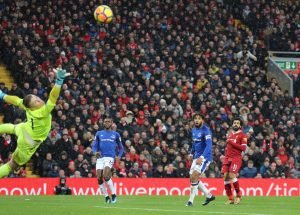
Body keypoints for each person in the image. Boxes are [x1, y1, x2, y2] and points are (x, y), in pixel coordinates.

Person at [0, 68, 69, 178]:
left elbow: (16, 100)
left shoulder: (27, 106)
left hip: (25, 128)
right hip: (29, 142)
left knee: (12, 128)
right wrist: (58, 82)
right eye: (36, 101)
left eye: (37, 97)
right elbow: (53, 97)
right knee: (12, 165)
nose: (39, 100)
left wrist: (3, 95)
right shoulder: (43, 111)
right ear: (32, 106)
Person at [92, 116, 124, 204]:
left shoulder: (116, 134)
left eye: (108, 121)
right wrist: (95, 152)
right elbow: (94, 145)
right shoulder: (99, 133)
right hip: (100, 158)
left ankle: (113, 195)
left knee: (106, 176)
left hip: (109, 157)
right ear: (103, 123)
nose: (107, 123)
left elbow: (121, 148)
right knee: (99, 177)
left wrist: (119, 156)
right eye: (105, 121)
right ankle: (106, 196)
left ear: (112, 123)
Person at [186, 113, 215, 207]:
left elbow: (209, 145)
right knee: (192, 178)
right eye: (195, 119)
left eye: (198, 118)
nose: (196, 120)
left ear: (202, 120)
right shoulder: (193, 130)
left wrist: (202, 157)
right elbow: (194, 143)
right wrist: (191, 153)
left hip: (205, 157)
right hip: (196, 157)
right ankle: (209, 195)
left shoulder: (206, 130)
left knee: (194, 176)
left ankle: (190, 201)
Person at [221, 118, 247, 205]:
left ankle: (239, 196)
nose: (235, 124)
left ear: (240, 125)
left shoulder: (243, 135)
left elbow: (243, 148)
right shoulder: (230, 134)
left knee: (232, 175)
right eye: (234, 123)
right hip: (227, 158)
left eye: (237, 123)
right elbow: (228, 147)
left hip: (236, 158)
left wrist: (231, 142)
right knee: (225, 177)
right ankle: (230, 198)